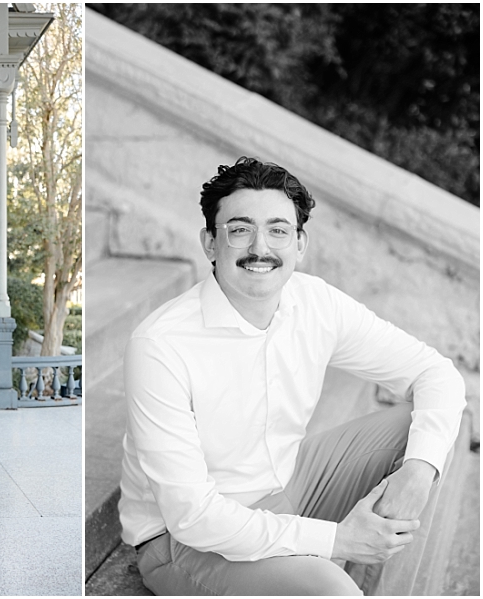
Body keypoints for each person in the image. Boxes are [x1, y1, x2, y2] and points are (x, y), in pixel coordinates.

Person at [119, 157, 466, 595]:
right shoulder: (160, 345)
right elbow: (193, 516)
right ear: (210, 242)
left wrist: (417, 472)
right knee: (332, 593)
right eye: (240, 229)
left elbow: (436, 373)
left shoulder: (315, 302)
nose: (260, 247)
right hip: (184, 540)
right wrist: (337, 540)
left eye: (278, 230)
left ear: (300, 243)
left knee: (425, 438)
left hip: (287, 487)